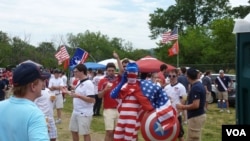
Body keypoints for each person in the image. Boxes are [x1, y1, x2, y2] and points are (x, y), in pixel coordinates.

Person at [0, 63, 50, 140]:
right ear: (33, 86)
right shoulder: (34, 115)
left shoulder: (1, 106)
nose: (43, 84)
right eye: (42, 81)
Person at [98, 51, 123, 141]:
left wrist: (117, 58)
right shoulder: (102, 81)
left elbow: (122, 71)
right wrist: (105, 90)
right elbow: (99, 96)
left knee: (117, 132)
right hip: (108, 109)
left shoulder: (118, 78)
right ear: (106, 71)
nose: (111, 72)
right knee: (109, 132)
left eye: (112, 70)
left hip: (119, 108)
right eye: (109, 70)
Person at [176, 68, 206, 141]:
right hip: (198, 115)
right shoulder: (198, 85)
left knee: (193, 138)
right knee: (195, 137)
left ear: (188, 77)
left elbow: (196, 105)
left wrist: (182, 107)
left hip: (196, 116)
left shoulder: (196, 87)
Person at [69, 64, 96, 141]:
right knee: (73, 130)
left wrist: (78, 96)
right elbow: (78, 93)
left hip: (84, 113)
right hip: (76, 111)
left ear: (82, 72)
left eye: (76, 71)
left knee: (85, 133)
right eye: (74, 71)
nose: (74, 73)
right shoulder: (79, 81)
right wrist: (69, 92)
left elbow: (92, 100)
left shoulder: (88, 83)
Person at [164, 69, 187, 141]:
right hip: (167, 114)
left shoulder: (181, 87)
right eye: (169, 76)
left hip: (176, 114)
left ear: (177, 76)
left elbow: (183, 100)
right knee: (168, 134)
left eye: (173, 76)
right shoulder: (166, 87)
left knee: (179, 134)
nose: (171, 77)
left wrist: (178, 113)